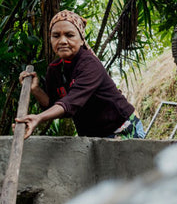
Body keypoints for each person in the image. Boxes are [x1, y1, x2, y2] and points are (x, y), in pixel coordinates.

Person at [16, 10, 145, 140]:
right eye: (56, 36)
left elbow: (71, 102)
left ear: (82, 40)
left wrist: (38, 118)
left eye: (69, 35)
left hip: (122, 128)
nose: (62, 41)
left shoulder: (90, 64)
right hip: (92, 136)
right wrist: (36, 90)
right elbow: (54, 106)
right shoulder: (54, 69)